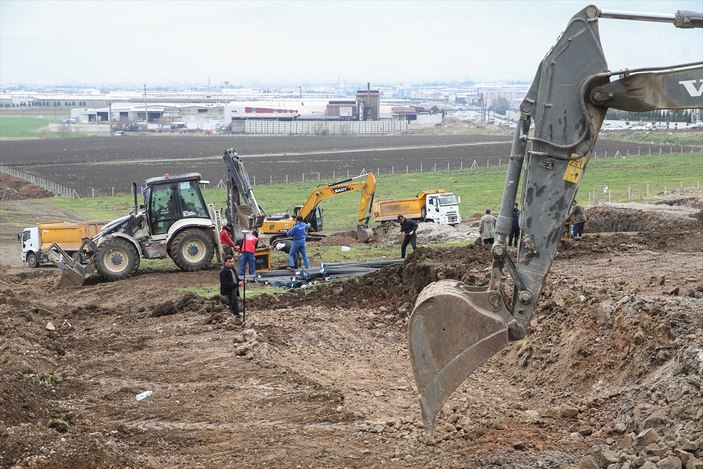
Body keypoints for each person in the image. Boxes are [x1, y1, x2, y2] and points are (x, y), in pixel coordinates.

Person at [219, 255, 243, 320]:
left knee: (235, 306)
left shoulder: (233, 269)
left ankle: (237, 316)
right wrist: (237, 284)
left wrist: (241, 281)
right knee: (228, 308)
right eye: (229, 262)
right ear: (225, 262)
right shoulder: (223, 272)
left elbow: (236, 279)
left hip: (234, 292)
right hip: (227, 293)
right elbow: (226, 284)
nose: (231, 263)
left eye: (232, 261)